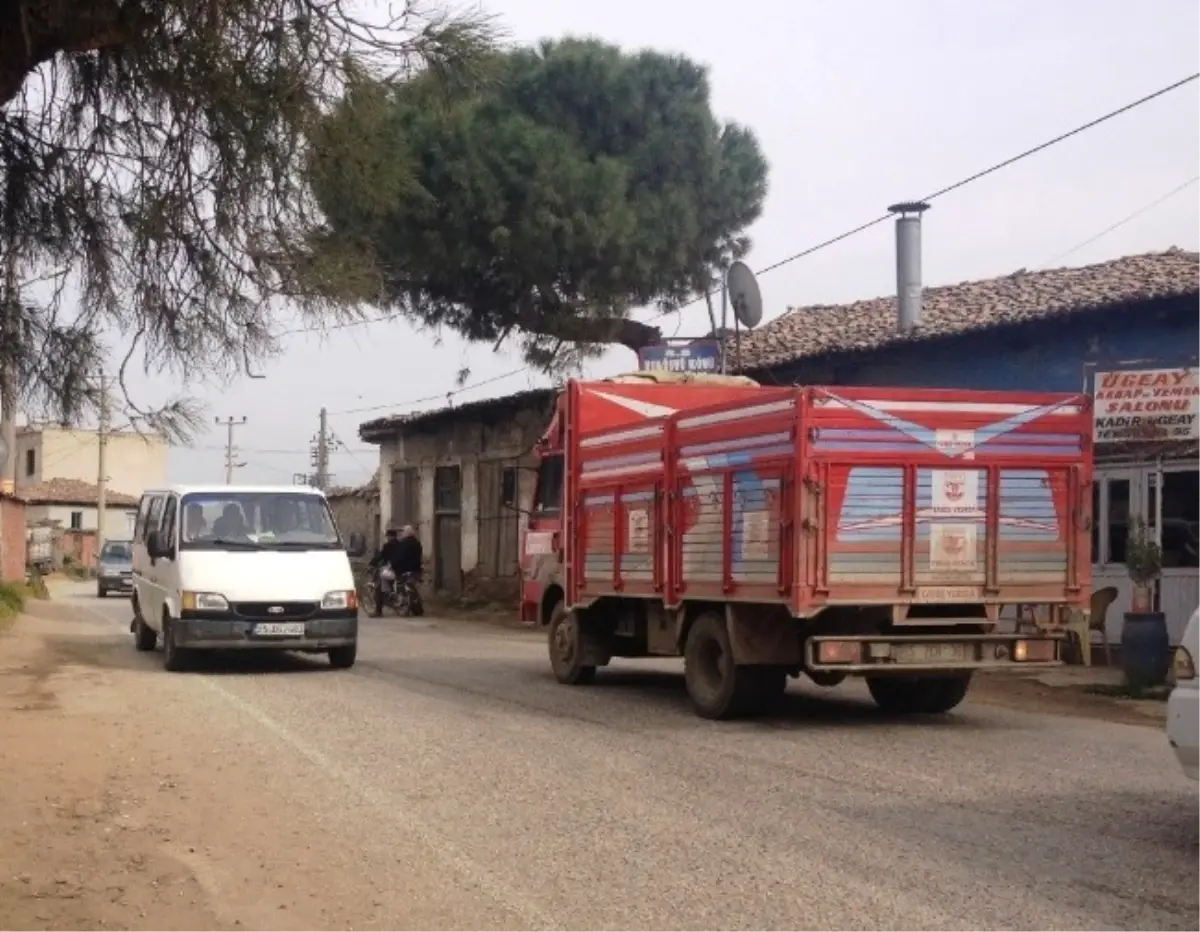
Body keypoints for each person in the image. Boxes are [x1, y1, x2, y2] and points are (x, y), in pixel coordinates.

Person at [369, 526, 422, 606]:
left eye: (403, 532)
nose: (402, 534)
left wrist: (391, 565)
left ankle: (386, 593)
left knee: (382, 574)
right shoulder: (418, 544)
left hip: (402, 570)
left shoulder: (403, 544)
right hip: (416, 570)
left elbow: (398, 557)